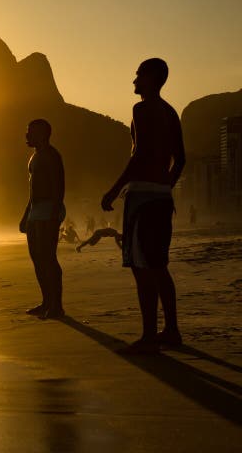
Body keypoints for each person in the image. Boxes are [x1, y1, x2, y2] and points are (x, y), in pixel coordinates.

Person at [102, 58, 185, 354]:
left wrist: (113, 191)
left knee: (141, 268)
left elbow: (138, 156)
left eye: (138, 75)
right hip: (162, 197)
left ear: (151, 78)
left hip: (142, 199)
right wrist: (164, 186)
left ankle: (150, 336)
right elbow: (181, 159)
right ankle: (171, 330)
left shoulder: (142, 108)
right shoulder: (171, 112)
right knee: (159, 265)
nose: (134, 80)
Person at [19, 119, 66, 320]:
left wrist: (55, 212)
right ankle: (46, 301)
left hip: (49, 209)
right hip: (36, 210)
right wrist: (25, 215)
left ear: (43, 133)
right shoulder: (35, 156)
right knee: (37, 258)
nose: (27, 136)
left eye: (30, 132)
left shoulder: (51, 155)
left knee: (48, 257)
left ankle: (57, 306)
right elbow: (32, 190)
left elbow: (59, 185)